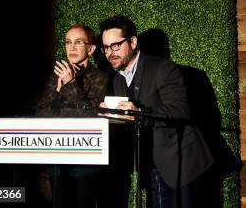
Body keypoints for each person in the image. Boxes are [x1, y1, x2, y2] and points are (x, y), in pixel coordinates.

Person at [98, 15, 215, 208]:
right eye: (106, 47)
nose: (110, 52)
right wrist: (112, 117)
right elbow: (130, 122)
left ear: (133, 42)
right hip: (150, 164)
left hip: (181, 164)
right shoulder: (118, 79)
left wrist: (140, 111)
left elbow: (180, 110)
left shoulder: (162, 68)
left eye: (116, 45)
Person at [36, 23, 110, 208]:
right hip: (55, 160)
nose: (72, 47)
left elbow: (92, 117)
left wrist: (69, 86)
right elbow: (41, 113)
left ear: (91, 49)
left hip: (85, 162)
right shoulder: (56, 75)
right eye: (68, 42)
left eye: (78, 42)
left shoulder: (101, 78)